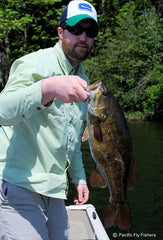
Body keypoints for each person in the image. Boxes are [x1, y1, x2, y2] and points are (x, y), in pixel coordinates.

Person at [0, 1, 98, 239]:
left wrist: (80, 178)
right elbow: (2, 111)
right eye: (76, 29)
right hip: (18, 184)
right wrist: (48, 88)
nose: (83, 36)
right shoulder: (34, 63)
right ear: (61, 32)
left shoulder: (84, 81)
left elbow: (72, 140)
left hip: (55, 190)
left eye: (90, 31)